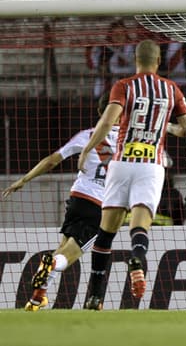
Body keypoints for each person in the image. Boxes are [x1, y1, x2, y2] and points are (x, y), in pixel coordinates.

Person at [78, 39, 186, 310]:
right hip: (151, 165)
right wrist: (168, 128)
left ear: (136, 61)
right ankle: (137, 258)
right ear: (158, 62)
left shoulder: (124, 86)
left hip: (122, 162)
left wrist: (88, 149)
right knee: (139, 226)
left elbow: (108, 121)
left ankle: (95, 296)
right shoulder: (171, 88)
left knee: (106, 232)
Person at [1, 93, 118, 311]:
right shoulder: (128, 141)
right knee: (69, 255)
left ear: (99, 112)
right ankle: (51, 265)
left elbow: (53, 160)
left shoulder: (87, 135)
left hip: (77, 198)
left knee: (63, 247)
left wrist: (24, 179)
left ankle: (37, 298)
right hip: (101, 205)